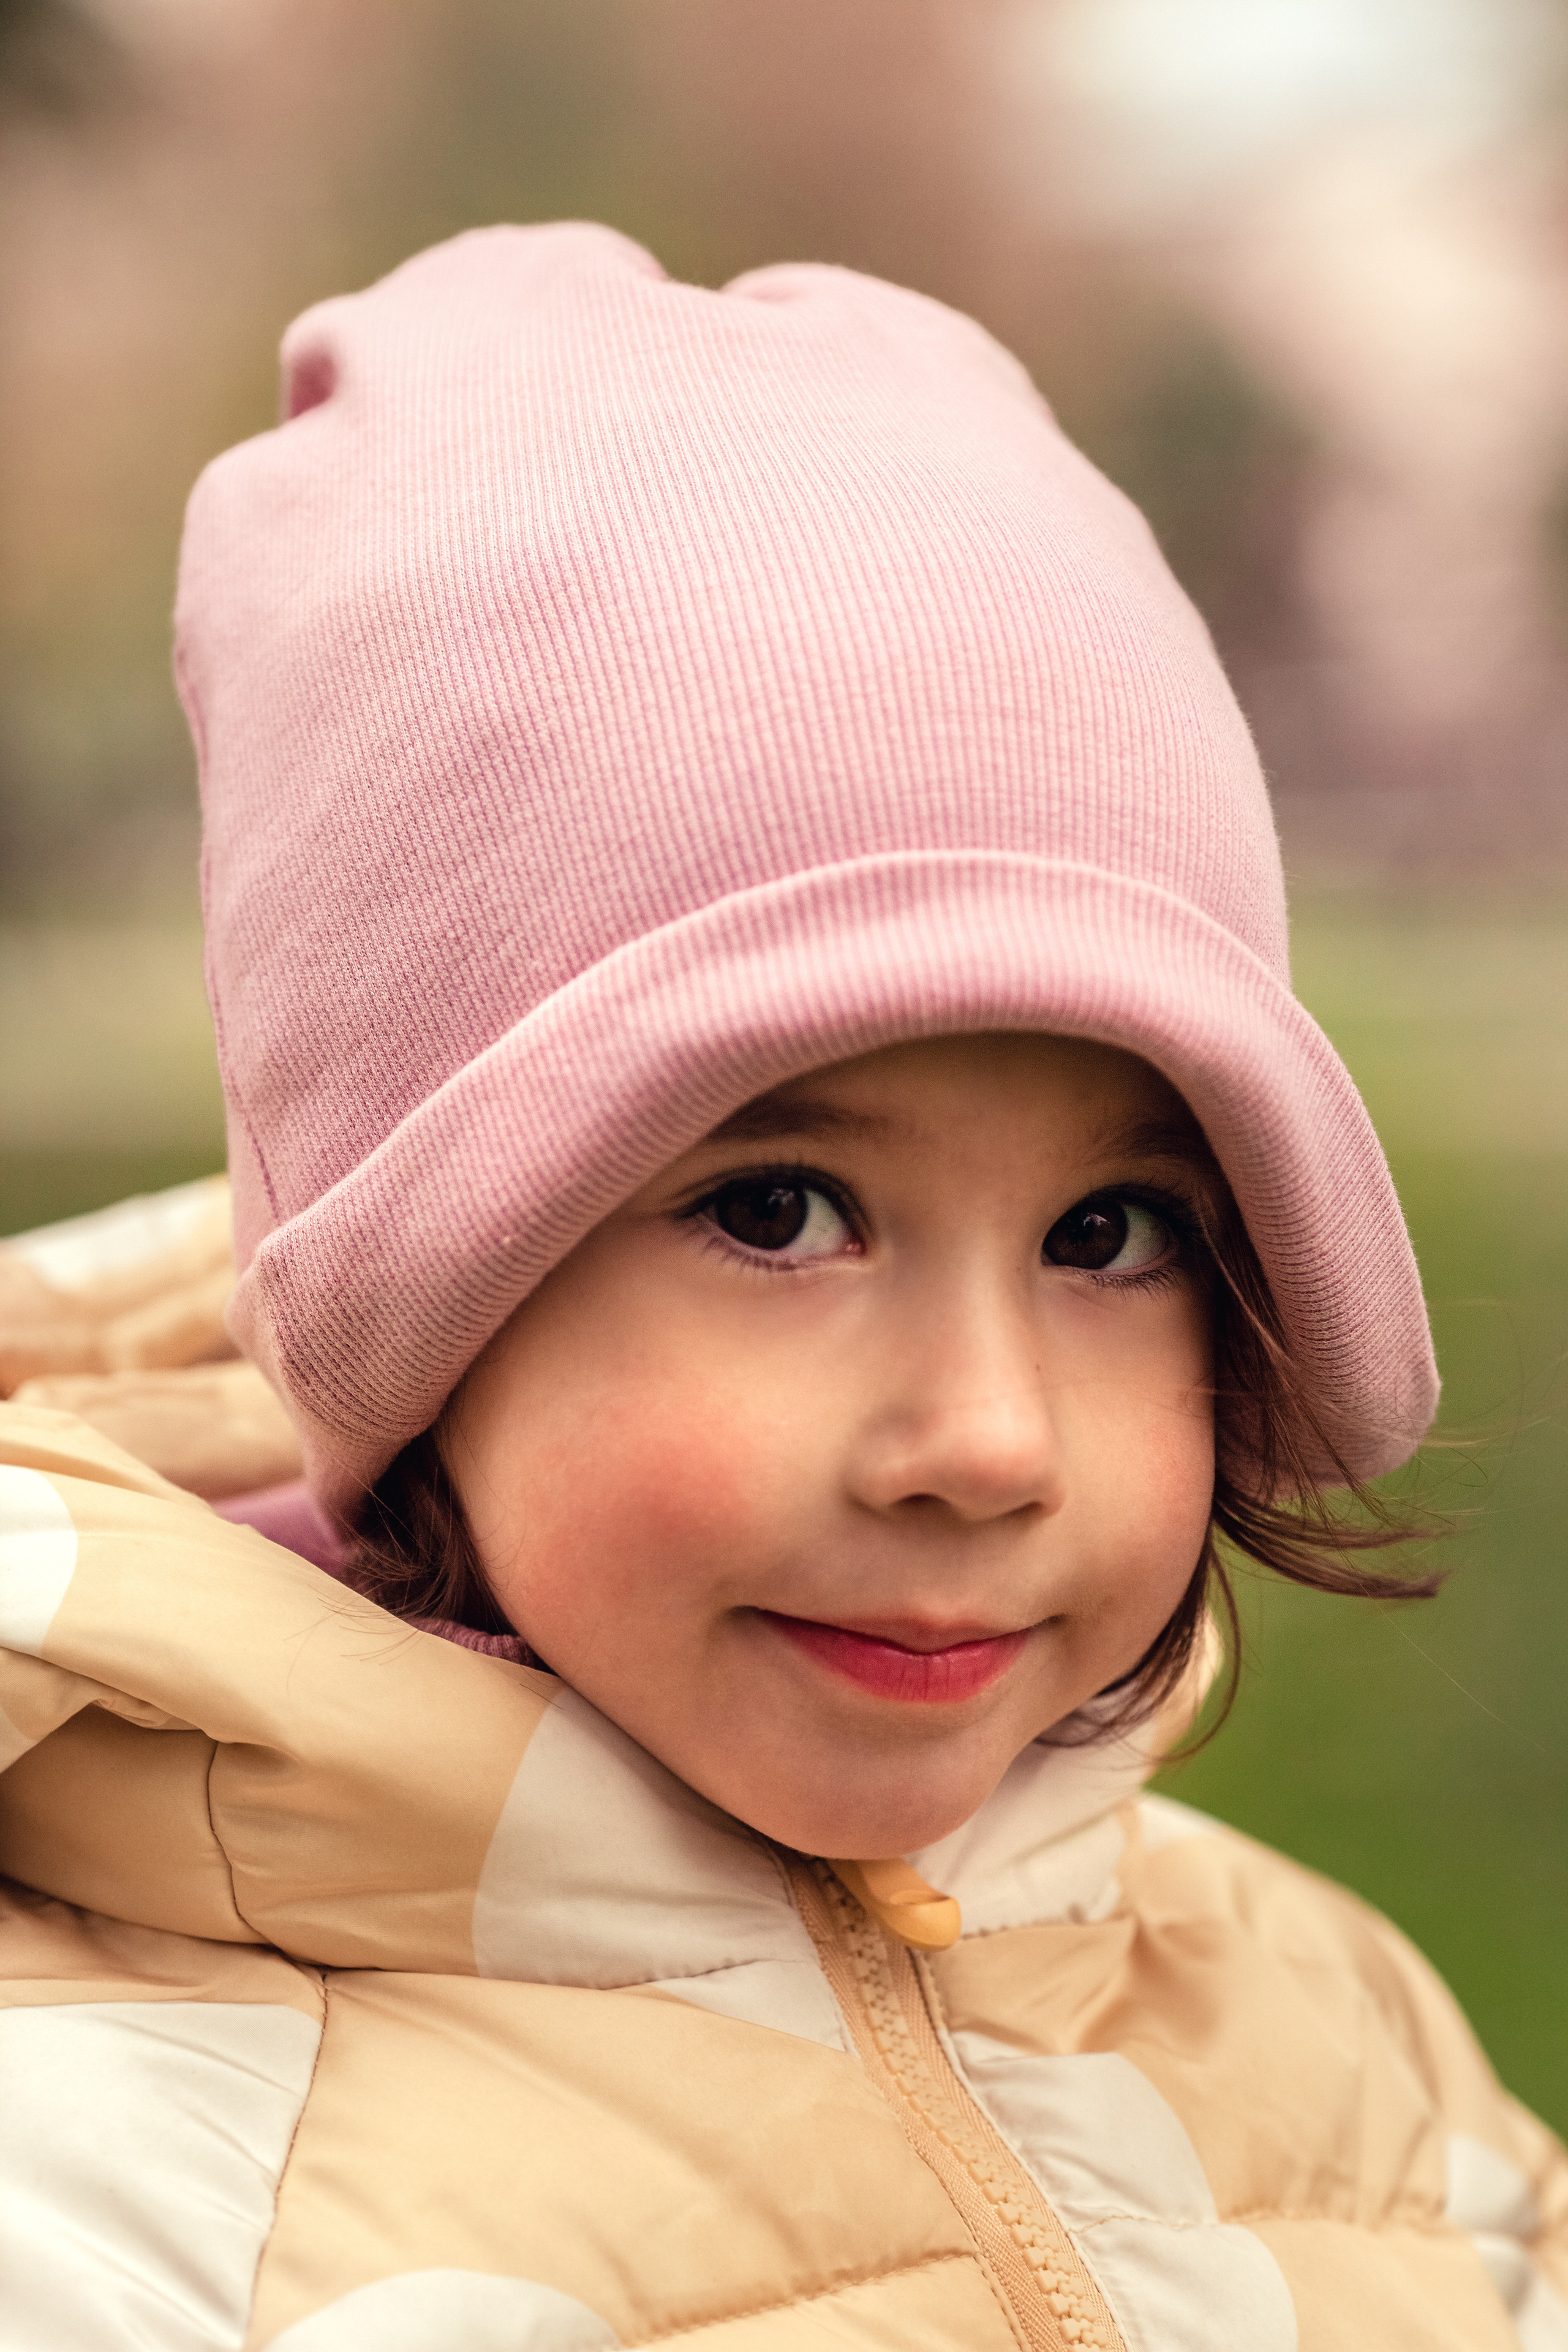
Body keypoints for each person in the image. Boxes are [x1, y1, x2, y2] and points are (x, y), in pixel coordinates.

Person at [1, 222, 1562, 2352]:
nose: (991, 1440)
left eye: (1113, 1233)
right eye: (778, 1210)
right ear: (425, 1271)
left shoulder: (1339, 2038)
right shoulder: (106, 2203)